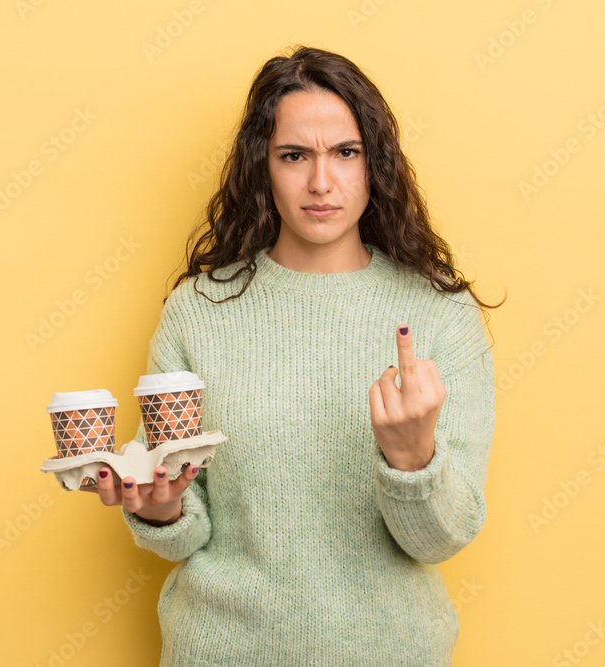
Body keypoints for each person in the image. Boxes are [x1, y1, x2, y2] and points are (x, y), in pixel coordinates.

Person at [81, 44, 504, 666]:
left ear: (375, 165)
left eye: (345, 153)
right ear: (262, 168)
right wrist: (165, 508)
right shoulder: (199, 311)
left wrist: (413, 457)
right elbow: (184, 531)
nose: (320, 182)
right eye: (294, 155)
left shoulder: (441, 314)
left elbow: (439, 541)